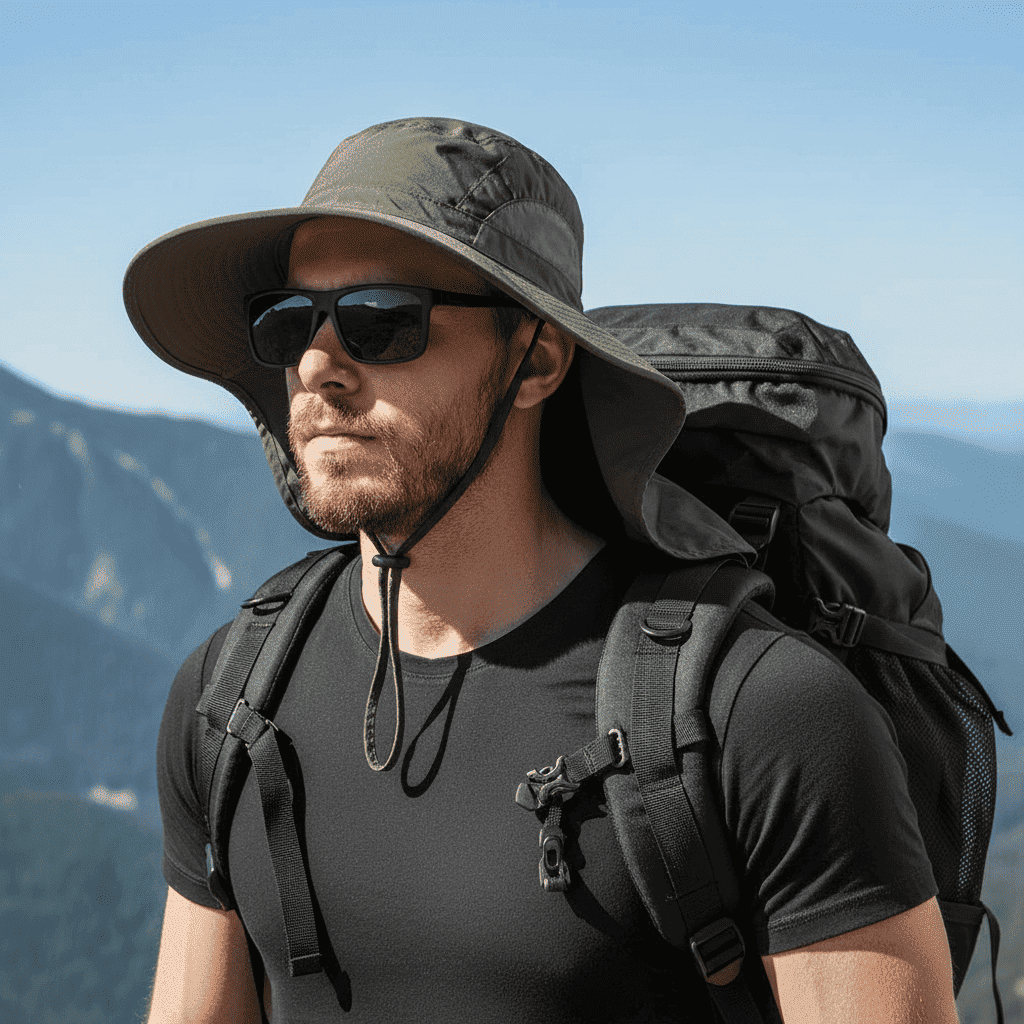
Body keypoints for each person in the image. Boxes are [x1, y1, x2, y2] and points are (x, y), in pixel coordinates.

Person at [126, 117, 958, 1023]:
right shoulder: (230, 697)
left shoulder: (764, 715)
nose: (318, 366)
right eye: (288, 323)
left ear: (536, 361)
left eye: (382, 321)